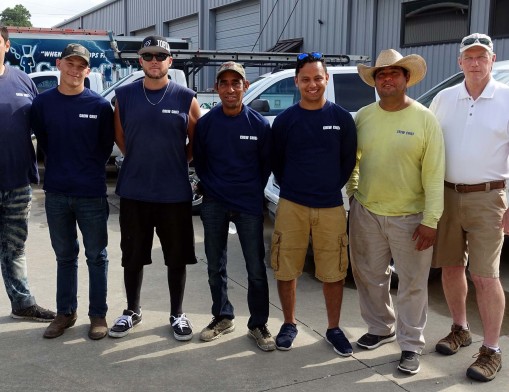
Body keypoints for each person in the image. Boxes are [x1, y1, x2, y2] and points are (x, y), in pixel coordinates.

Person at [347, 49, 444, 374]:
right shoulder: (363, 116)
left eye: (393, 73)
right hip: (367, 212)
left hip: (411, 217)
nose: (387, 79)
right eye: (381, 75)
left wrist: (430, 221)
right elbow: (353, 159)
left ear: (406, 79)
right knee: (370, 277)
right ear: (375, 82)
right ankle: (380, 327)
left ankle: (411, 344)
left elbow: (434, 174)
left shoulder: (425, 119)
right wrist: (354, 191)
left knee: (413, 283)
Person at [109, 35, 201, 341]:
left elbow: (196, 142)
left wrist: (176, 159)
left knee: (176, 257)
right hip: (135, 192)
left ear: (170, 62)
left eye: (160, 56)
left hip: (173, 194)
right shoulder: (123, 96)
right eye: (148, 56)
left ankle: (177, 314)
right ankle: (132, 310)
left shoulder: (186, 97)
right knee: (132, 256)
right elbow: (122, 139)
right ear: (140, 61)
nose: (154, 61)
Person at [430, 33, 508, 382]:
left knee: (485, 276)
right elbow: (429, 147)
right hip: (446, 196)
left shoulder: (507, 99)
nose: (475, 63)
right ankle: (460, 329)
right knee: (449, 267)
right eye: (469, 57)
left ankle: (492, 349)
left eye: (481, 57)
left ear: (492, 59)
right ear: (459, 62)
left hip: (489, 198)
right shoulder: (444, 99)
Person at [270, 52, 357, 356]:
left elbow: (347, 161)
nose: (312, 84)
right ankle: (289, 323)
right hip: (292, 205)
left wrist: (327, 187)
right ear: (296, 82)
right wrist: (295, 187)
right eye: (305, 79)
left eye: (317, 78)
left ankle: (333, 328)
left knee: (334, 270)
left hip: (331, 205)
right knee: (286, 268)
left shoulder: (342, 119)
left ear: (326, 79)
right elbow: (277, 163)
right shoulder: (284, 122)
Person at [31, 43, 114, 340]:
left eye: (81, 66)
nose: (75, 70)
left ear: (88, 71)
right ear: (59, 64)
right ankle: (65, 313)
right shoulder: (42, 104)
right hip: (56, 193)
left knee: (97, 256)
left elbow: (105, 147)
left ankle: (98, 314)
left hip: (91, 193)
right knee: (65, 256)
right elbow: (44, 141)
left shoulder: (100, 106)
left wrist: (85, 171)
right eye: (70, 63)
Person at [193, 61, 274, 351]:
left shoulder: (259, 125)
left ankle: (258, 324)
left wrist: (249, 191)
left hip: (248, 204)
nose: (230, 89)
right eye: (224, 83)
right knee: (215, 266)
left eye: (235, 83)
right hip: (214, 203)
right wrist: (213, 189)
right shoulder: (206, 124)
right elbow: (200, 162)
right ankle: (222, 316)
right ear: (217, 88)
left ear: (245, 86)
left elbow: (265, 166)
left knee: (255, 269)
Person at [0, 25, 56, 323]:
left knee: (15, 247)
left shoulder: (23, 80)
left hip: (17, 182)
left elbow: (43, 128)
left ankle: (22, 304)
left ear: (6, 45)